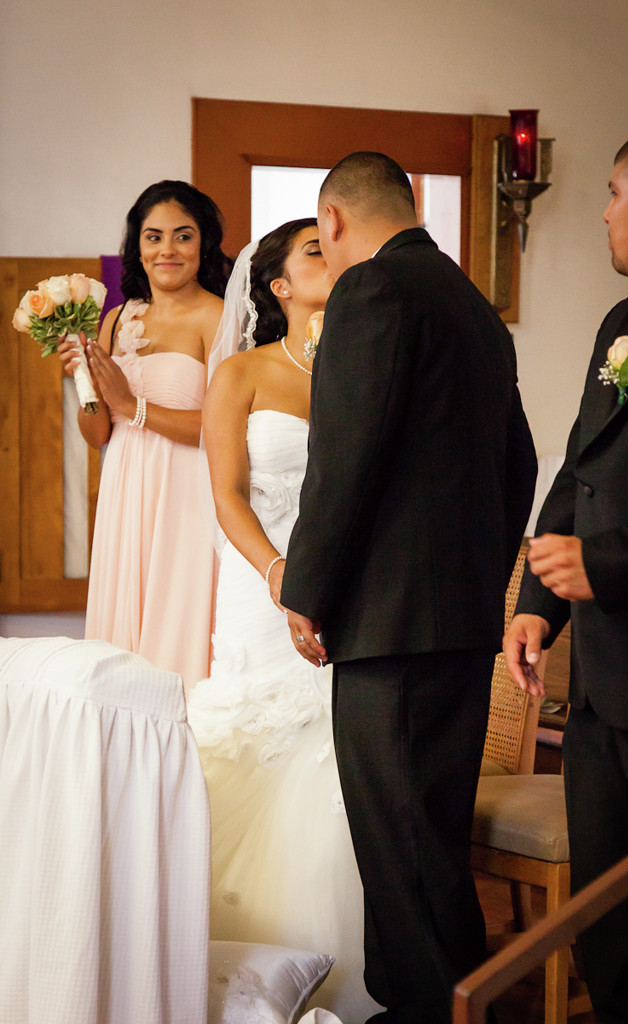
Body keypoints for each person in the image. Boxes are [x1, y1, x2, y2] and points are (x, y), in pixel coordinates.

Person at [279, 152, 537, 1024]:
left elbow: (344, 457)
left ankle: (438, 1015)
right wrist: (480, 577)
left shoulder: (371, 289)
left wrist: (307, 587)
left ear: (334, 221)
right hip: (456, 620)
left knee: (402, 847)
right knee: (426, 838)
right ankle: (432, 1008)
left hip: (390, 624)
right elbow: (518, 462)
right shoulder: (471, 305)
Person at [503, 119, 628, 1024]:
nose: (604, 213)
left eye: (613, 194)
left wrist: (604, 565)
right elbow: (581, 468)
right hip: (602, 695)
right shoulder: (622, 322)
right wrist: (538, 602)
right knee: (612, 937)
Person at [186, 218, 379, 1023]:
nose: (331, 254)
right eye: (313, 251)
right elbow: (227, 494)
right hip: (261, 589)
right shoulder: (241, 373)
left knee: (332, 769)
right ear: (279, 287)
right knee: (249, 752)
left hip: (351, 595)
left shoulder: (364, 369)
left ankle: (343, 971)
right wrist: (280, 576)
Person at [58, 180, 229, 688]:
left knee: (178, 621)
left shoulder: (219, 317)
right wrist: (85, 382)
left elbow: (225, 428)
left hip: (186, 491)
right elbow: (97, 434)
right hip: (125, 487)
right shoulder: (116, 318)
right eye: (154, 237)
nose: (167, 250)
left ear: (203, 244)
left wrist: (131, 406)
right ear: (137, 246)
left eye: (183, 236)